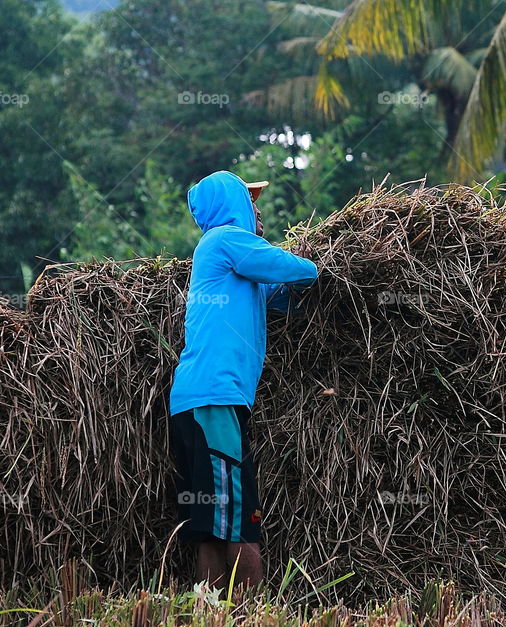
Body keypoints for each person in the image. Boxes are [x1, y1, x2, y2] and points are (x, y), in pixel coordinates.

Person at [168, 170, 317, 590]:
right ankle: (253, 612)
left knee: (213, 521)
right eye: (250, 200)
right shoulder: (225, 240)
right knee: (239, 515)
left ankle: (212, 611)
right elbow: (297, 269)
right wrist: (320, 265)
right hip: (213, 399)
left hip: (200, 400)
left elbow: (281, 294)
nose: (257, 209)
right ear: (231, 205)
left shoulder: (232, 260)